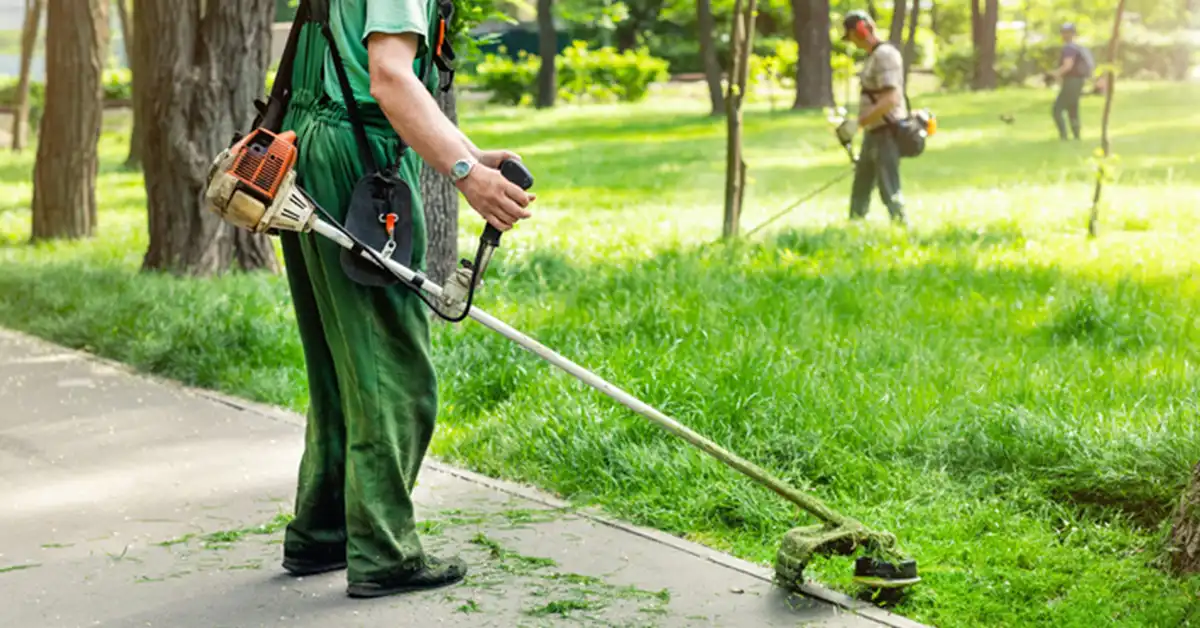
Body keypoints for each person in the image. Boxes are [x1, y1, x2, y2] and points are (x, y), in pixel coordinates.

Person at [274, 0, 535, 599]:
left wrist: (464, 147)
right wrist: (467, 174)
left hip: (312, 150)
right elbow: (389, 77)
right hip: (359, 164)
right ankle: (384, 552)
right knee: (392, 371)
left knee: (342, 362)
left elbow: (349, 69)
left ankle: (323, 532)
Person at [839, 10, 908, 225]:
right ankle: (854, 226)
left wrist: (859, 123)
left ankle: (901, 226)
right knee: (862, 182)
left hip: (886, 131)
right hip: (873, 132)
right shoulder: (873, 57)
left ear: (860, 29)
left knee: (888, 185)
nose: (850, 40)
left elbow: (891, 98)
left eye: (850, 34)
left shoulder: (885, 55)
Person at [1047, 22, 1094, 141]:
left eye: (1066, 32)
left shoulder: (1069, 48)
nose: (1064, 35)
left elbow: (1068, 66)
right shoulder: (1078, 47)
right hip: (1079, 81)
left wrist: (1054, 74)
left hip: (1071, 81)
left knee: (1057, 110)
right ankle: (1076, 136)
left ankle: (1064, 136)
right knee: (1073, 109)